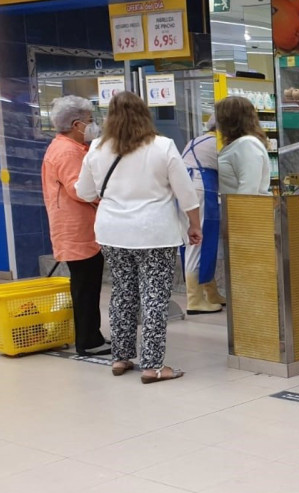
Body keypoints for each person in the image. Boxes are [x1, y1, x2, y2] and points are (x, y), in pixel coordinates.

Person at [76, 91, 201, 384]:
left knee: (122, 293)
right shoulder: (162, 146)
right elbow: (187, 194)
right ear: (145, 114)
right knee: (154, 297)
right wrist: (194, 225)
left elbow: (84, 192)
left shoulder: (96, 148)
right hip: (154, 233)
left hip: (112, 232)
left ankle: (120, 357)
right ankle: (153, 366)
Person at [41, 95, 108, 356]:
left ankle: (93, 336)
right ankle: (88, 341)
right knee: (85, 287)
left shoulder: (67, 147)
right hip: (76, 229)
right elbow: (80, 191)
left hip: (79, 227)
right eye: (90, 121)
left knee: (88, 285)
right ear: (76, 124)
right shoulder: (67, 151)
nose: (93, 125)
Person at [180, 117, 226, 315]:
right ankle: (195, 300)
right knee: (197, 245)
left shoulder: (196, 140)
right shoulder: (218, 143)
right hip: (201, 190)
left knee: (197, 245)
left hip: (188, 190)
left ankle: (211, 293)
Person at [214, 96, 271, 196]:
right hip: (231, 208)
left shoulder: (248, 145)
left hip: (244, 210)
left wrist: (239, 211)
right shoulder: (235, 144)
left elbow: (249, 190)